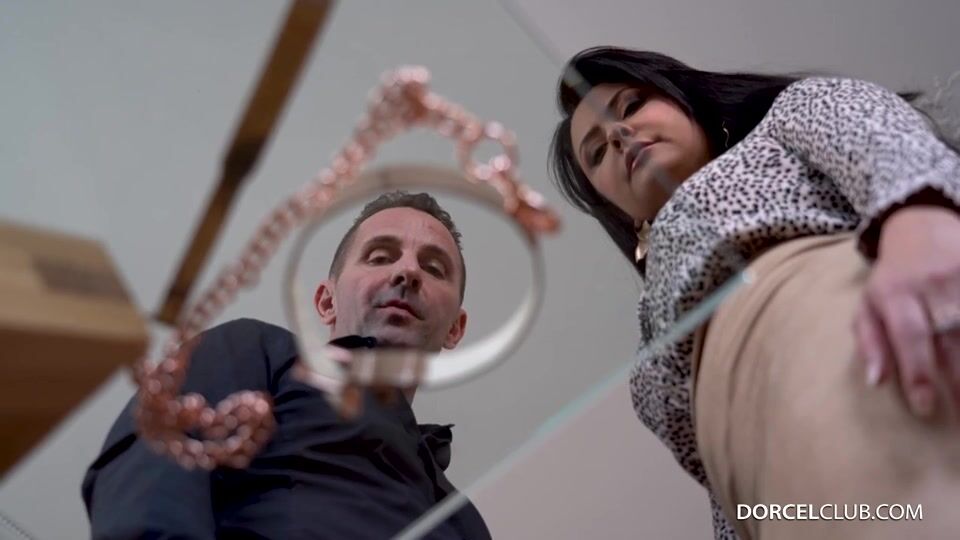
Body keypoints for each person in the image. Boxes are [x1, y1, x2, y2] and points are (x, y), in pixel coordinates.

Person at [549, 47, 960, 539]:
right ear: (615, 209)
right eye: (596, 153)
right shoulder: (649, 344)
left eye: (632, 105)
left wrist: (923, 231)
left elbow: (889, 148)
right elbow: (727, 496)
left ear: (684, 100)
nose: (617, 135)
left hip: (879, 361)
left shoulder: (782, 122)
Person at [82, 191, 491, 540]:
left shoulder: (464, 519)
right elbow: (158, 457)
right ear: (326, 301)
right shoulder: (256, 349)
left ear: (455, 329)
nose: (408, 271)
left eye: (433, 268)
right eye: (380, 256)